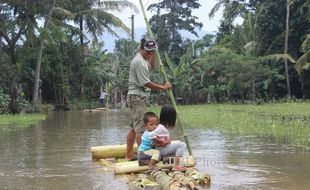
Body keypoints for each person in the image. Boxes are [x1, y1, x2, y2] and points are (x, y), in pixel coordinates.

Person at [125, 36, 172, 161]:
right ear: (141, 48)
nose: (149, 53)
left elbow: (151, 67)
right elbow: (146, 82)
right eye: (148, 51)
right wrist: (163, 87)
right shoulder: (139, 61)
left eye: (151, 51)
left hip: (138, 97)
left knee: (133, 128)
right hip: (137, 97)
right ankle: (144, 157)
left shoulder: (145, 59)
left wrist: (154, 53)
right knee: (141, 128)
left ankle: (129, 154)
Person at [151, 104, 187, 171]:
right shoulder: (161, 128)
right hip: (160, 150)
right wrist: (162, 142)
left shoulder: (162, 127)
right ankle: (176, 166)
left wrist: (166, 141)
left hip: (161, 150)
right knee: (182, 145)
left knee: (178, 143)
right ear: (170, 118)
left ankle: (169, 161)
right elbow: (151, 136)